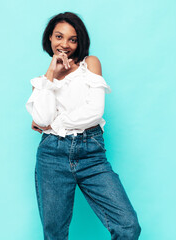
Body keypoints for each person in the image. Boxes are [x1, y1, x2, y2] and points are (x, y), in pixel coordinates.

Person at [25, 12, 141, 240]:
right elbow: (41, 119)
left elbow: (94, 112)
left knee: (128, 226)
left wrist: (54, 124)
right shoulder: (40, 84)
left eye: (72, 39)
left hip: (91, 154)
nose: (64, 44)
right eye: (59, 36)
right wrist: (51, 74)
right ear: (49, 38)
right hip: (52, 156)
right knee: (54, 235)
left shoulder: (90, 64)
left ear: (80, 42)